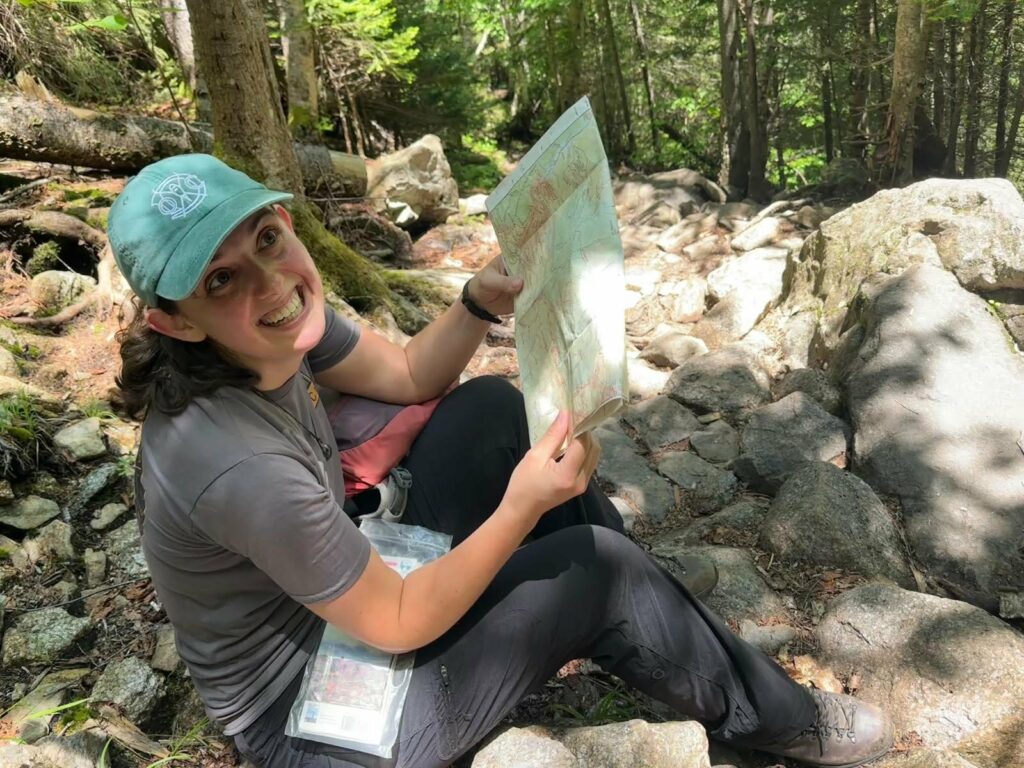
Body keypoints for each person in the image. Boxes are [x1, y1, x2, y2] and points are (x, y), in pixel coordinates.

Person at [108, 153, 892, 768]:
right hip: (313, 724)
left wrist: (478, 303)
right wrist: (521, 506)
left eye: (268, 240)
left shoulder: (276, 336)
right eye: (221, 280)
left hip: (346, 608)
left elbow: (413, 375)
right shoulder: (230, 460)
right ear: (173, 322)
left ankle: (652, 617)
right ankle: (784, 719)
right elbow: (397, 621)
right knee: (595, 568)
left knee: (486, 410)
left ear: (285, 221)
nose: (272, 283)